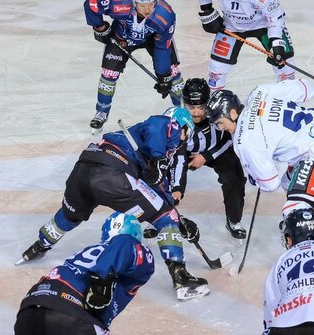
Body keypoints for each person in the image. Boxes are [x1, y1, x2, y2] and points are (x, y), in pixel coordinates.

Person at [17, 107, 210, 300]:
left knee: (69, 215)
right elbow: (158, 126)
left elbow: (159, 192)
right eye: (185, 134)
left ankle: (39, 246)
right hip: (112, 174)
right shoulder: (166, 126)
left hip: (83, 171)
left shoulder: (145, 146)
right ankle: (181, 279)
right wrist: (160, 161)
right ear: (182, 126)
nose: (181, 141)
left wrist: (180, 221)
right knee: (165, 217)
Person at [206, 78, 314, 219]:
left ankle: (305, 235)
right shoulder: (260, 92)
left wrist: (255, 178)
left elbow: (270, 184)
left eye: (220, 123)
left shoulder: (244, 142)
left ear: (232, 113)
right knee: (288, 184)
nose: (221, 128)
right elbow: (307, 88)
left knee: (294, 210)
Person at [14, 212, 155, 335]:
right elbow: (125, 242)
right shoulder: (133, 249)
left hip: (31, 309)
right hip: (72, 314)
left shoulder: (89, 250)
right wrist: (101, 281)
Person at [83, 0, 184, 131]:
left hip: (153, 39)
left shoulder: (166, 14)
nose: (147, 10)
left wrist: (164, 75)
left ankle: (183, 109)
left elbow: (162, 47)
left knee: (172, 72)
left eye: (150, 4)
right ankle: (102, 111)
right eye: (142, 5)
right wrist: (100, 27)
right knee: (109, 73)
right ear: (134, 3)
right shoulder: (119, 3)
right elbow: (91, 4)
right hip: (121, 38)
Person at [170, 78, 247, 239]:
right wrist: (177, 187)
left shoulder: (218, 112)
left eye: (201, 107)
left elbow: (229, 138)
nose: (196, 112)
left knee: (234, 177)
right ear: (184, 104)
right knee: (163, 175)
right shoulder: (178, 119)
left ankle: (233, 220)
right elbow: (177, 154)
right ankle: (159, 217)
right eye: (191, 107)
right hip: (184, 152)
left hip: (217, 149)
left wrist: (206, 156)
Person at [197, 0, 296, 90]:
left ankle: (287, 95)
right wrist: (207, 9)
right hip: (231, 26)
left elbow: (275, 14)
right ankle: (214, 100)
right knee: (217, 70)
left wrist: (276, 40)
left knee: (285, 63)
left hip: (264, 24)